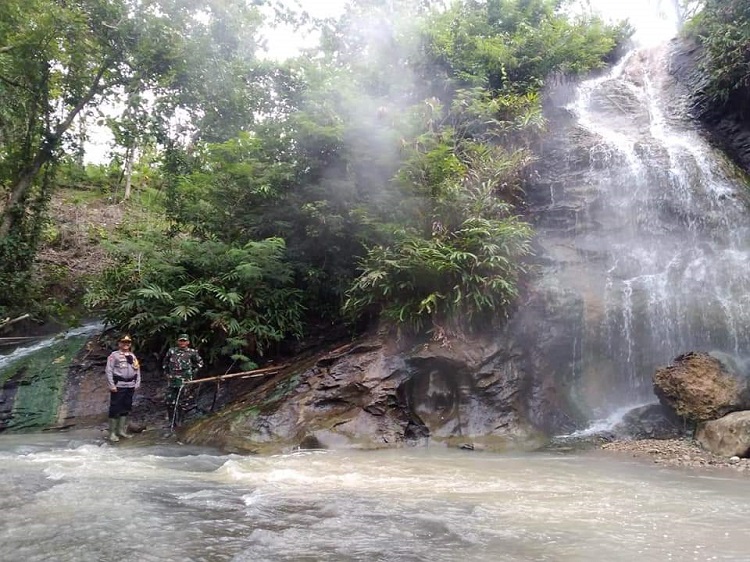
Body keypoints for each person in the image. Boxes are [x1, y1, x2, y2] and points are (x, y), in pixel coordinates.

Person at [105, 334, 141, 442]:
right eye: (123, 342)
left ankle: (121, 431)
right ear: (119, 344)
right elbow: (109, 370)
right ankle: (112, 433)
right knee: (115, 408)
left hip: (130, 385)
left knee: (126, 407)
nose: (126, 344)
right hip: (118, 385)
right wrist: (111, 385)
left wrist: (137, 382)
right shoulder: (114, 356)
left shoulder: (132, 356)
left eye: (128, 343)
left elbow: (137, 369)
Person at [162, 333, 204, 425]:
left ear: (188, 342)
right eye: (181, 341)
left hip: (185, 380)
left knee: (183, 402)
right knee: (169, 401)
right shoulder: (172, 351)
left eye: (184, 341)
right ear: (178, 341)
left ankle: (180, 421)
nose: (182, 343)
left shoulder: (192, 352)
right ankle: (171, 421)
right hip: (172, 380)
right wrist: (167, 373)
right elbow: (165, 362)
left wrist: (192, 373)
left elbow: (200, 363)